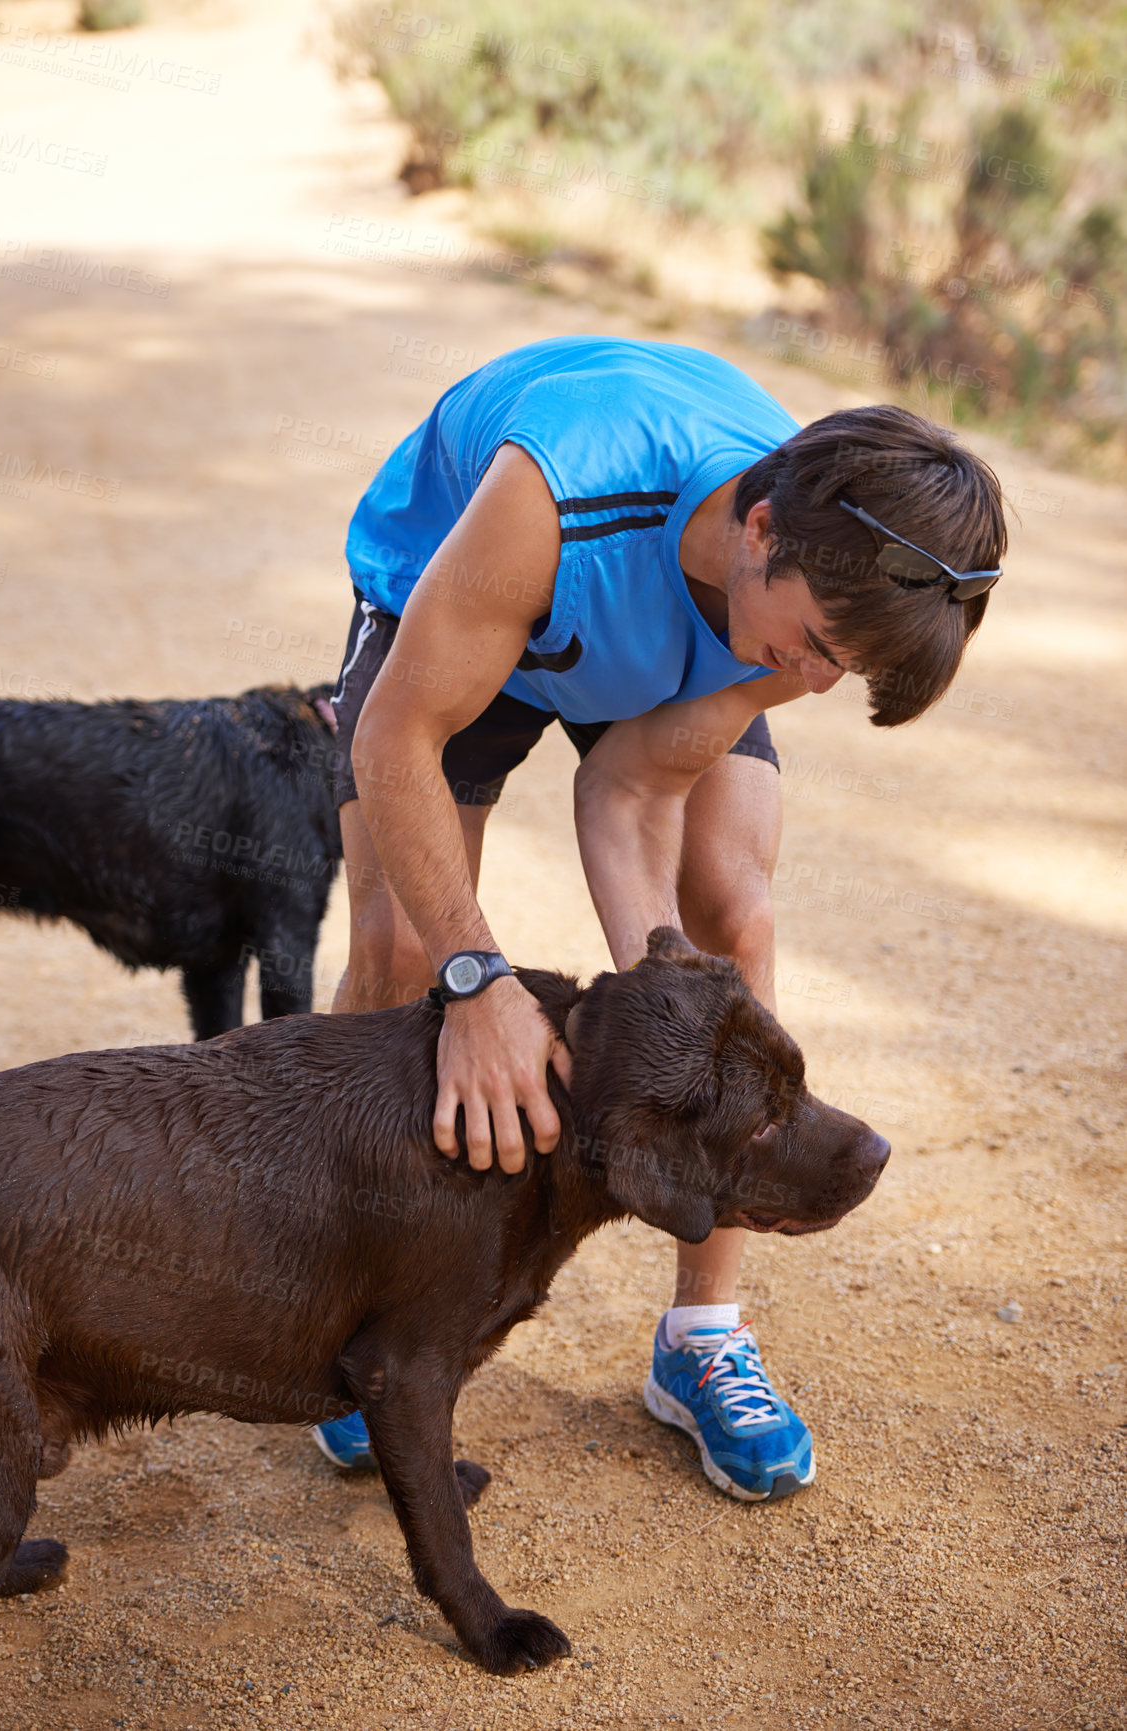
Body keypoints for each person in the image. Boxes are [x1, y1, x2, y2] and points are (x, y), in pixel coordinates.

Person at [309, 334, 1005, 1501]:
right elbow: (396, 740)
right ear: (764, 527)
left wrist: (674, 1006)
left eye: (846, 667)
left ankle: (702, 1338)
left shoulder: (820, 607)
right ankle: (349, 1317)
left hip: (688, 626)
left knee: (732, 930)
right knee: (399, 952)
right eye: (824, 652)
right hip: (472, 590)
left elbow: (628, 786)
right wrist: (477, 982)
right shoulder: (559, 492)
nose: (819, 681)